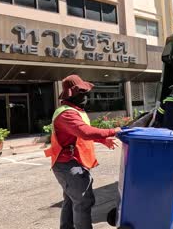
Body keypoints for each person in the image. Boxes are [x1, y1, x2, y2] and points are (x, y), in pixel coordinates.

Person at [45, 75, 121, 229]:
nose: (86, 96)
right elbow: (85, 132)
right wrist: (113, 131)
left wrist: (102, 140)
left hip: (71, 162)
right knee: (83, 202)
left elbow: (80, 135)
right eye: (82, 93)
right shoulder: (67, 114)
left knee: (71, 200)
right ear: (72, 94)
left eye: (86, 93)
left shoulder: (74, 111)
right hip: (68, 164)